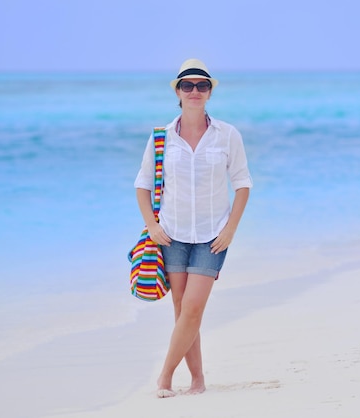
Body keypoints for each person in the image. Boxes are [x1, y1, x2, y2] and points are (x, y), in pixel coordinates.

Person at [134, 58, 253, 398]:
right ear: (178, 92)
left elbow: (243, 183)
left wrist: (230, 229)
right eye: (188, 85)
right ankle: (198, 383)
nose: (195, 91)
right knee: (182, 312)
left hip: (212, 237)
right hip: (171, 234)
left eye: (202, 85)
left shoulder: (227, 135)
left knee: (193, 308)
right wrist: (152, 226)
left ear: (210, 92)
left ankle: (164, 378)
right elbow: (142, 184)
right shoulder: (161, 138)